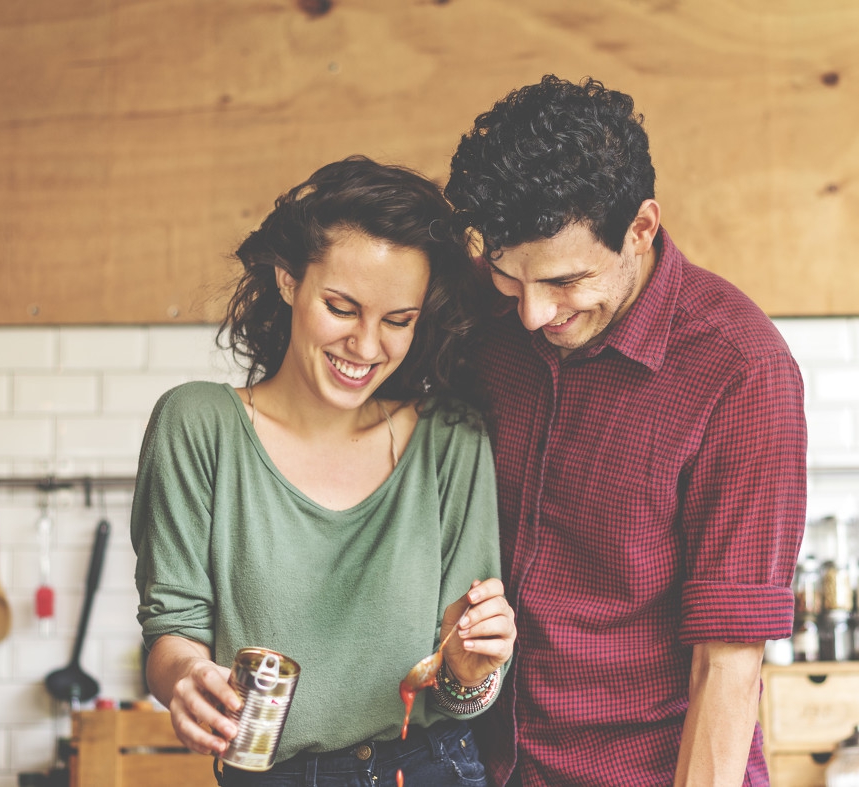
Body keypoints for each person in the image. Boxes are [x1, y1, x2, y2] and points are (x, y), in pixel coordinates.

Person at [442, 75, 808, 786]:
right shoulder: (488, 326)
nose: (534, 315)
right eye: (512, 279)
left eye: (567, 281)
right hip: (490, 768)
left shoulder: (740, 370)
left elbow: (728, 662)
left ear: (641, 228)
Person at [131, 155, 517, 786]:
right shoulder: (198, 425)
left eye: (398, 321)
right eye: (342, 308)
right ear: (288, 280)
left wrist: (472, 672)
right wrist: (186, 678)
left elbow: (458, 690)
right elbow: (173, 628)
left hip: (427, 768)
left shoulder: (451, 440)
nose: (366, 348)